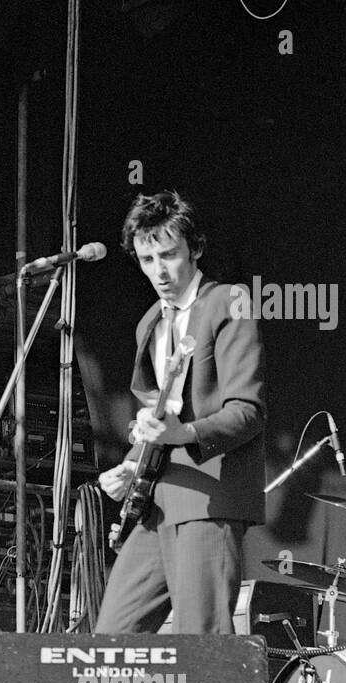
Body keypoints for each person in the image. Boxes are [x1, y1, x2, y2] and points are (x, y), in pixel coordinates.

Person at [95, 190, 266, 635]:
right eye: (147, 259)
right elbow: (157, 413)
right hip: (156, 499)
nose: (159, 271)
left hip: (208, 495)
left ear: (196, 248)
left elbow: (247, 411)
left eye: (168, 255)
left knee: (202, 642)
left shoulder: (228, 301)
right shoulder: (150, 320)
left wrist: (183, 433)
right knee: (112, 637)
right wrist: (131, 465)